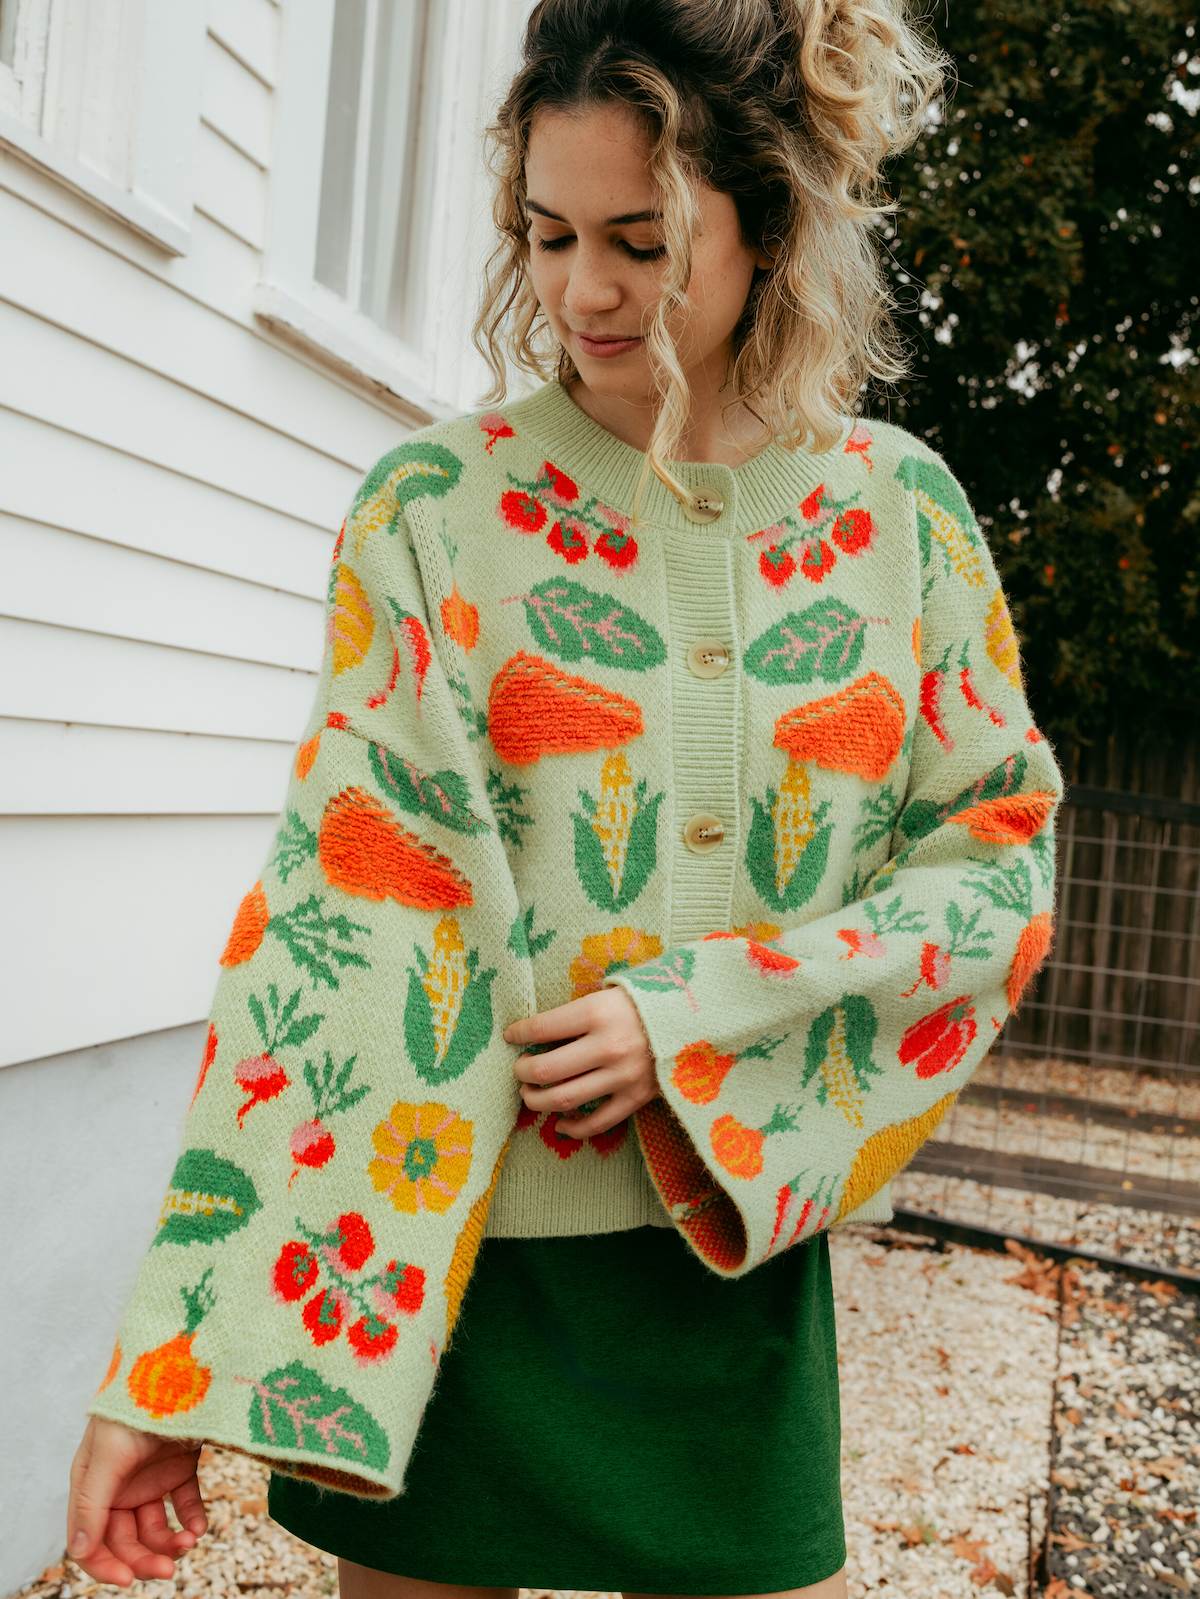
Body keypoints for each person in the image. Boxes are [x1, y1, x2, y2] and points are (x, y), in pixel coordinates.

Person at [66, 3, 1064, 1597]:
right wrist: (178, 1365)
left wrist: (693, 1018)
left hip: (726, 1259)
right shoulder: (433, 515)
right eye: (545, 233)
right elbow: (345, 917)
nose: (581, 290)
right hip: (443, 1279)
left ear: (771, 223)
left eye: (640, 239)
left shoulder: (904, 520)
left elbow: (996, 870)